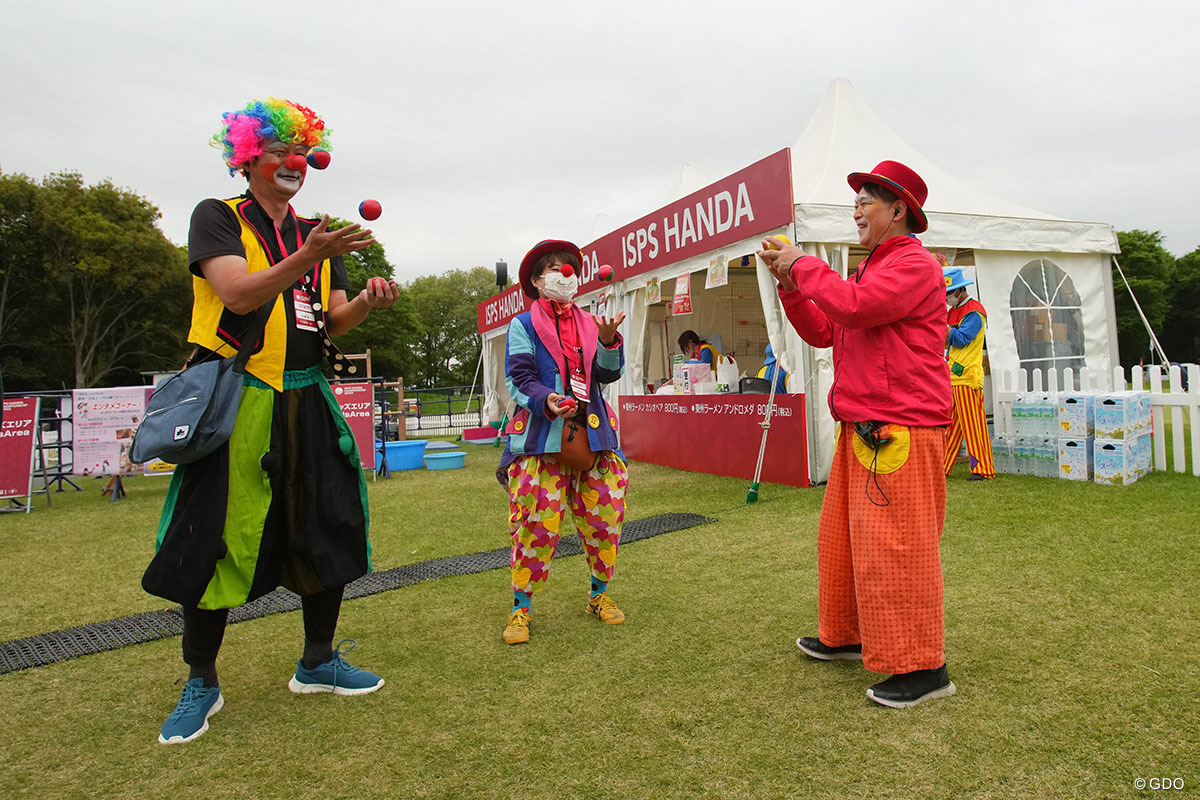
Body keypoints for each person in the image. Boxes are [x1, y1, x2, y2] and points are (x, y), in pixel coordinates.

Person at [146, 98, 400, 744]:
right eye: (280, 150)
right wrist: (304, 258)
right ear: (248, 156)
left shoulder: (321, 233)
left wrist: (366, 302)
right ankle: (201, 680)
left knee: (329, 520)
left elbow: (333, 320)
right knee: (215, 534)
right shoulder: (218, 217)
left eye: (303, 152)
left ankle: (317, 661)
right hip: (239, 393)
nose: (294, 162)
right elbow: (236, 292)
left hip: (309, 392)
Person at [758, 160, 956, 708]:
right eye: (859, 198)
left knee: (898, 549)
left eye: (869, 198)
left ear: (900, 211)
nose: (857, 207)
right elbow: (826, 329)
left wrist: (801, 264)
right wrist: (790, 286)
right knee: (844, 543)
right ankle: (846, 634)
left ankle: (923, 667)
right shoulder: (871, 268)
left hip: (901, 428)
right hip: (865, 427)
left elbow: (854, 308)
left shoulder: (913, 265)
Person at [498, 239, 628, 645]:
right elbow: (518, 379)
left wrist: (608, 343)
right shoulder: (522, 325)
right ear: (536, 281)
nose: (564, 273)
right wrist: (547, 400)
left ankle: (598, 596)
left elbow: (606, 377)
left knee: (604, 522)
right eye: (553, 267)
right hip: (541, 440)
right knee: (536, 526)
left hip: (594, 438)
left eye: (568, 266)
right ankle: (521, 608)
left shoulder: (592, 323)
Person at [943, 267, 995, 481]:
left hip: (968, 376)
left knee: (973, 424)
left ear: (960, 291)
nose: (947, 298)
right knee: (951, 425)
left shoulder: (975, 311)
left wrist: (940, 326)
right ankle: (941, 465)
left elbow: (961, 339)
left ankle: (982, 467)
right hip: (952, 374)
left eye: (949, 293)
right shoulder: (952, 312)